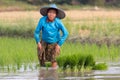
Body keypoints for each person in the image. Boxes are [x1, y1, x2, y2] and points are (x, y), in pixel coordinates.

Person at [34, 4, 68, 68]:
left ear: (56, 15)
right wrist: (38, 42)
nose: (51, 14)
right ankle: (42, 73)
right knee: (41, 56)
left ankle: (53, 74)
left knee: (54, 59)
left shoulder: (58, 22)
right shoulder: (42, 20)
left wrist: (59, 45)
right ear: (47, 13)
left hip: (55, 42)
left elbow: (65, 33)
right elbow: (36, 32)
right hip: (44, 41)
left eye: (53, 13)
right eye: (50, 12)